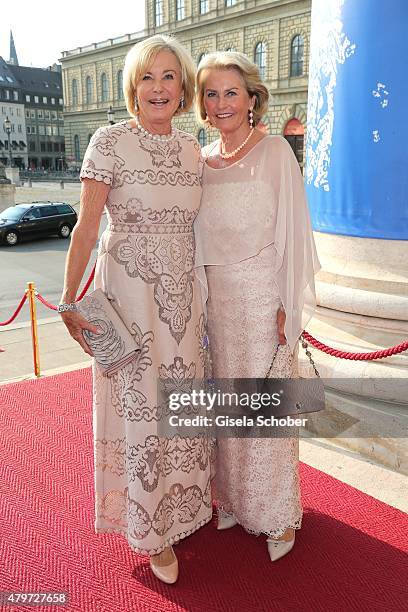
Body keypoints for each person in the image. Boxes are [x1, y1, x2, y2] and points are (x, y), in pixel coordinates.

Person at [59, 34, 212, 585]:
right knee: (141, 407)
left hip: (183, 302)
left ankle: (187, 505)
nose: (158, 87)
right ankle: (150, 528)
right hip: (128, 300)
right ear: (132, 86)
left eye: (169, 77)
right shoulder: (109, 141)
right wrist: (68, 296)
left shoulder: (194, 148)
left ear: (183, 88)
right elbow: (86, 226)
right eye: (147, 77)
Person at [194, 51, 320, 561]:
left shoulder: (274, 153)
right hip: (217, 303)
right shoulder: (199, 161)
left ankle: (275, 514)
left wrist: (288, 302)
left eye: (231, 92)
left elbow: (294, 230)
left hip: (265, 296)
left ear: (251, 98)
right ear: (201, 102)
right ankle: (236, 500)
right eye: (211, 93)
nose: (221, 102)